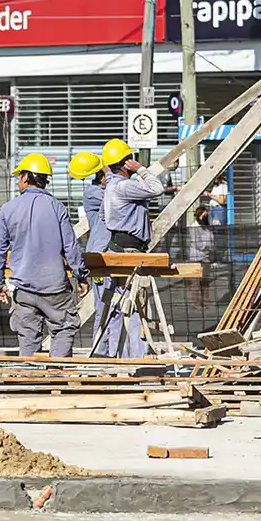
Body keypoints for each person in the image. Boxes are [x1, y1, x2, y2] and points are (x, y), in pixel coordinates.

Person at [0, 153, 89, 358]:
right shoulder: (57, 207)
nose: (18, 180)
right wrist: (81, 276)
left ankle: (30, 381)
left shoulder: (8, 209)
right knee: (62, 331)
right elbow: (71, 247)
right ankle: (58, 380)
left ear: (26, 177)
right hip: (55, 288)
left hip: (23, 288)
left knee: (28, 338)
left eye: (19, 176)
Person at [99, 138, 173, 357]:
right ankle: (137, 358)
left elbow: (104, 217)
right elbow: (156, 188)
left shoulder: (111, 186)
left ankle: (117, 354)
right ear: (125, 163)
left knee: (116, 305)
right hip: (130, 252)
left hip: (117, 247)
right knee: (136, 308)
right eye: (131, 159)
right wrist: (140, 169)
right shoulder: (124, 186)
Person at [69, 150, 110, 354]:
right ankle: (101, 353)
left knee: (115, 306)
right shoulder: (94, 192)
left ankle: (110, 350)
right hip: (100, 256)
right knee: (104, 305)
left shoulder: (101, 189)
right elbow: (117, 197)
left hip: (108, 252)